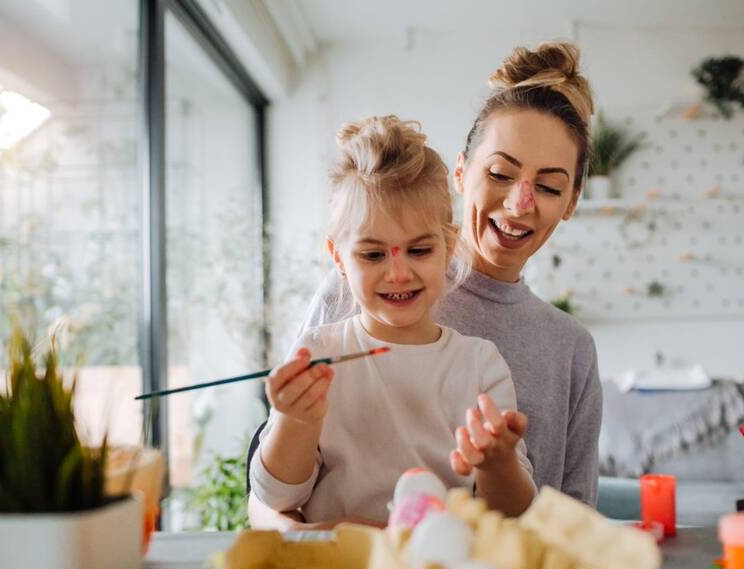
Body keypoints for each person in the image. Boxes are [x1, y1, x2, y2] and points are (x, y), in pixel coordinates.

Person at [249, 40, 602, 530]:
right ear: (461, 171)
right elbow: (269, 498)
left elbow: (574, 525)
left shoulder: (567, 350)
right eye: (501, 173)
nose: (521, 203)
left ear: (571, 200)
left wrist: (495, 463)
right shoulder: (352, 290)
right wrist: (317, 542)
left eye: (548, 186)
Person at [248, 115, 536, 527]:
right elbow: (275, 497)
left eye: (418, 251)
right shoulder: (318, 354)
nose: (398, 274)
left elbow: (516, 515)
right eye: (373, 254)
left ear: (448, 247)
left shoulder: (479, 365)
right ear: (338, 259)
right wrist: (297, 421)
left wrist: (498, 463)